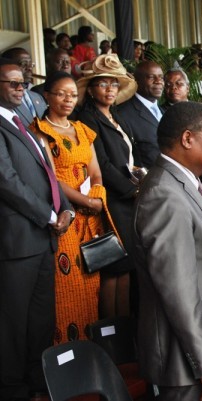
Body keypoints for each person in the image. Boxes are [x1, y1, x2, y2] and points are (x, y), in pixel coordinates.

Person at [134, 102, 202, 401]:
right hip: (193, 366)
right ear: (187, 139)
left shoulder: (185, 181)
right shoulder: (163, 193)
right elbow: (178, 289)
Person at [0, 58, 73, 401]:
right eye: (12, 83)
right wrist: (47, 214)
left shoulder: (22, 124)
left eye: (22, 83)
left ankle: (38, 381)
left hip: (41, 237)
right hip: (15, 242)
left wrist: (65, 208)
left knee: (41, 319)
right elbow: (7, 182)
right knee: (13, 323)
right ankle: (13, 389)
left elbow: (47, 173)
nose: (20, 88)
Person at [29, 72, 106, 343]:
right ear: (47, 96)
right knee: (68, 286)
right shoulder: (39, 130)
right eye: (61, 94)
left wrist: (97, 196)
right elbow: (51, 177)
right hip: (66, 214)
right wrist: (86, 202)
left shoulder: (83, 129)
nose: (68, 99)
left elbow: (95, 170)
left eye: (72, 95)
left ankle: (92, 354)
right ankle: (67, 352)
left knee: (91, 285)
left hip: (91, 218)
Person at [75, 54, 139, 318]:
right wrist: (131, 189)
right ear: (90, 89)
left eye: (114, 84)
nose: (110, 89)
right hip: (113, 198)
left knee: (125, 268)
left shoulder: (116, 116)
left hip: (128, 196)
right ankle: (110, 333)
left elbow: (127, 158)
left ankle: (122, 335)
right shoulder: (87, 118)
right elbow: (101, 163)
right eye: (103, 84)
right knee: (113, 269)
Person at [117, 61, 165, 168]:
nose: (158, 81)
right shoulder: (123, 114)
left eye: (161, 77)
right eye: (151, 77)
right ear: (137, 81)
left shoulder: (165, 111)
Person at [1, 48, 46, 126]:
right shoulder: (6, 101)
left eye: (31, 64)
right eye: (23, 64)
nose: (29, 68)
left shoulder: (38, 97)